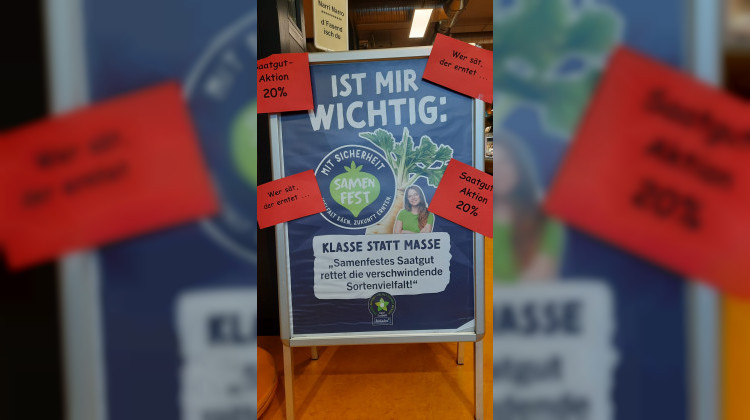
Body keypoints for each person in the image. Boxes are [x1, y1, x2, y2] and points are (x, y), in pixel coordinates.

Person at [494, 134, 564, 283]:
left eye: (504, 162)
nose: (497, 171)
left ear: (519, 165)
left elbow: (536, 282)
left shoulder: (545, 216)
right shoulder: (469, 218)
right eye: (490, 164)